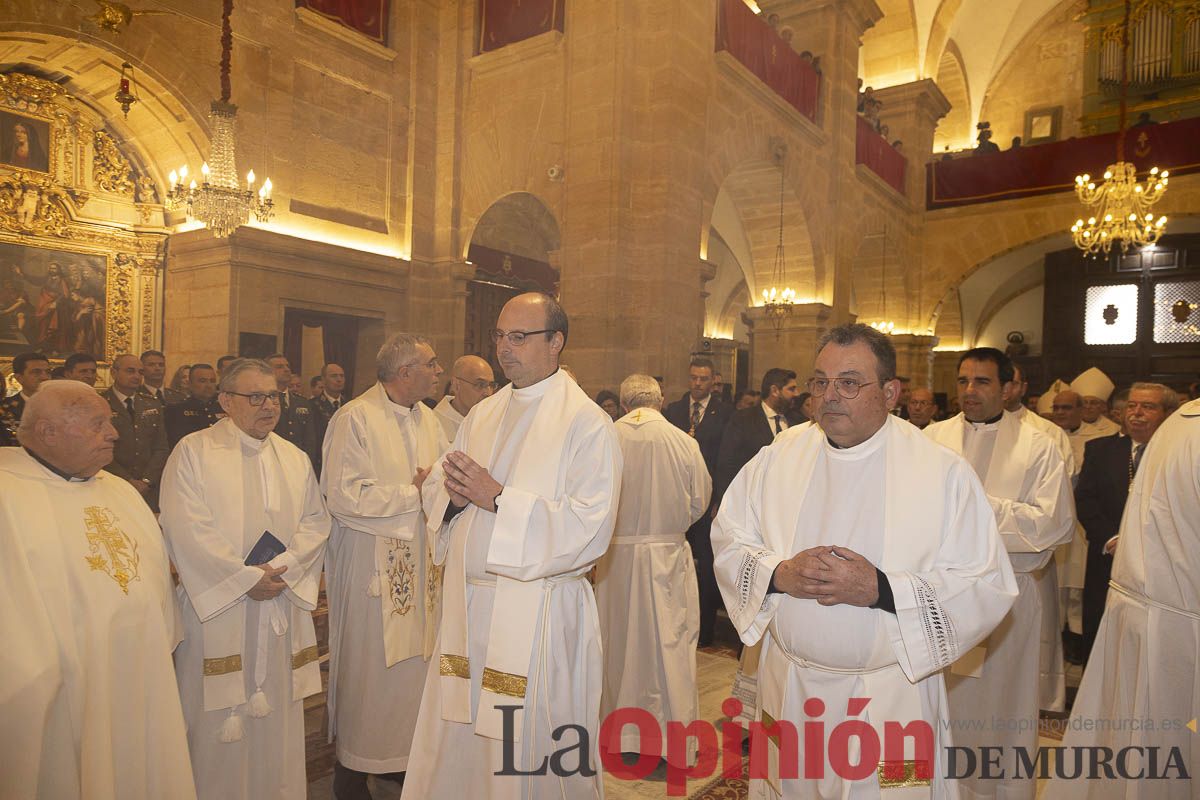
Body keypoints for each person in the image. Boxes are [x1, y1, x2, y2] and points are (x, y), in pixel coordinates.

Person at [712, 324, 1017, 798]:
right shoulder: (779, 457)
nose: (830, 396)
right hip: (789, 686)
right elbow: (730, 537)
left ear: (890, 392)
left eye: (850, 382)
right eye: (821, 382)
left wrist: (881, 589)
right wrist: (778, 574)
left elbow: (984, 583)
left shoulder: (941, 473)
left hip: (889, 699)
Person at [405, 292, 620, 798]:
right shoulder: (483, 414)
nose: (505, 348)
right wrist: (454, 499)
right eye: (499, 336)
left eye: (519, 337)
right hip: (471, 607)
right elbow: (442, 484)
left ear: (556, 342)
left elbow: (589, 527)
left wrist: (497, 498)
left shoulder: (587, 423)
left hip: (540, 614)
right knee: (460, 746)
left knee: (529, 751)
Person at [0, 381, 197, 799]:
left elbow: (156, 577)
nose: (114, 433)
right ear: (49, 432)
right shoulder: (8, 495)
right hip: (67, 687)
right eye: (97, 424)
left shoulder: (119, 488)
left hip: (140, 669)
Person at [161, 358, 331, 800]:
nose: (268, 406)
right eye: (254, 396)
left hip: (277, 603)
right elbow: (185, 527)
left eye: (272, 395)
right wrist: (241, 580)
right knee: (214, 720)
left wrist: (286, 568)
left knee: (277, 717)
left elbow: (316, 521)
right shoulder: (194, 452)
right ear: (225, 401)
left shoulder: (293, 457)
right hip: (219, 609)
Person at [925, 347, 1074, 800]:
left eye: (983, 381)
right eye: (964, 380)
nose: (970, 391)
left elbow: (1052, 525)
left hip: (1007, 594)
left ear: (1008, 388)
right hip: (940, 592)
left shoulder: (1039, 446)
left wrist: (974, 510)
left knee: (1001, 704)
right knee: (935, 698)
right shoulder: (930, 438)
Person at [321, 333, 449, 797]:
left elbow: (442, 479)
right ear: (404, 373)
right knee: (370, 669)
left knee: (415, 669)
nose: (439, 371)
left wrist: (435, 489)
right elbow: (342, 495)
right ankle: (353, 768)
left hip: (422, 564)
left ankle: (400, 762)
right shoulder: (354, 418)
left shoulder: (431, 419)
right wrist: (413, 492)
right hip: (370, 567)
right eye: (431, 364)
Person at [1056, 395, 1200, 800]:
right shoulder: (1181, 425)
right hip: (1178, 622)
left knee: (1133, 739)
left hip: (1154, 609)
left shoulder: (1177, 425)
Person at [595, 374, 710, 767]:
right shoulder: (683, 442)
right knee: (669, 646)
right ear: (660, 402)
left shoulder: (607, 437)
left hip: (615, 558)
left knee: (617, 643)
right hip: (666, 556)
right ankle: (671, 740)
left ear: (625, 405)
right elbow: (699, 502)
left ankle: (618, 732)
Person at [1075, 383, 1177, 660]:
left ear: (1167, 413)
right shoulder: (1099, 449)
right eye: (1132, 405)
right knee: (1101, 636)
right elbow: (1085, 501)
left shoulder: (1180, 453)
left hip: (1163, 563)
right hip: (1108, 559)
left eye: (1148, 406)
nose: (1137, 413)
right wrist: (1112, 540)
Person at [1005, 364, 1076, 710]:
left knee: (1034, 637)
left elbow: (1059, 505)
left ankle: (1038, 697)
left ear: (1018, 386)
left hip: (1025, 562)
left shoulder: (1045, 435)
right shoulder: (943, 434)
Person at [664, 357, 731, 646]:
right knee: (674, 564)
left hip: (707, 502)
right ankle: (672, 624)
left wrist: (718, 501)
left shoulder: (725, 413)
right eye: (693, 377)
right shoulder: (675, 411)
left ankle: (703, 631)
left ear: (712, 379)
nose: (698, 383)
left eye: (703, 378)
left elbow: (726, 460)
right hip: (677, 498)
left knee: (705, 566)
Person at [713, 367, 801, 505]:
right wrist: (728, 503)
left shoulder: (798, 421)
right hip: (749, 502)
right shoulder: (743, 419)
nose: (797, 393)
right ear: (775, 391)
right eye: (791, 389)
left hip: (787, 504)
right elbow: (726, 464)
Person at [101, 353, 170, 510]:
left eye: (140, 372)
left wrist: (146, 480)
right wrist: (127, 480)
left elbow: (161, 448)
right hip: (113, 483)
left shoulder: (151, 403)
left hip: (148, 488)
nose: (136, 376)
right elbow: (100, 448)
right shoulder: (101, 403)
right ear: (114, 373)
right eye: (130, 371)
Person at [265, 353, 322, 475]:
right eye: (280, 367)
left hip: (298, 463)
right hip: (273, 463)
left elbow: (310, 438)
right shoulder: (265, 400)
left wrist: (307, 463)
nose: (286, 370)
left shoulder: (302, 402)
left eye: (287, 366)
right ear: (267, 372)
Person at [433, 355, 496, 441]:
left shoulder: (493, 422)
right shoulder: (434, 422)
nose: (488, 393)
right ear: (456, 385)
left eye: (491, 385)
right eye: (480, 385)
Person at [165, 362, 224, 447]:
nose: (208, 385)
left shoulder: (225, 408)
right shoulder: (176, 410)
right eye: (202, 381)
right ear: (190, 384)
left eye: (212, 381)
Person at [1, 350, 50, 445]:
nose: (45, 377)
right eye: (36, 372)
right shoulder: (4, 409)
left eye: (48, 372)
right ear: (19, 378)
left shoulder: (62, 406)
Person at [1071, 367, 1120, 436]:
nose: (1088, 407)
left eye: (1093, 403)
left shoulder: (1114, 429)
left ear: (1102, 406)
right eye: (1085, 402)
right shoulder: (1070, 425)